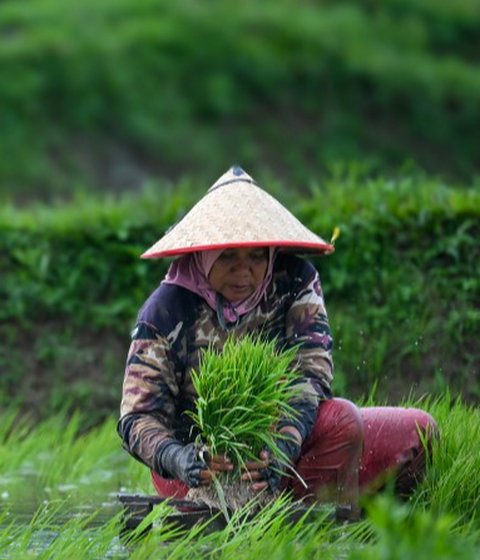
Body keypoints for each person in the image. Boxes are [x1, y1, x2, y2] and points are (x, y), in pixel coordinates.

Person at [118, 165, 437, 512]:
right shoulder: (167, 309)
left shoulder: (295, 280)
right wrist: (182, 460)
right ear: (204, 254)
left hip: (288, 447)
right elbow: (137, 418)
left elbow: (311, 376)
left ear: (270, 254)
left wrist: (282, 446)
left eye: (256, 256)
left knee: (412, 430)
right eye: (228, 257)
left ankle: (315, 506)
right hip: (203, 468)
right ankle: (300, 510)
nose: (245, 271)